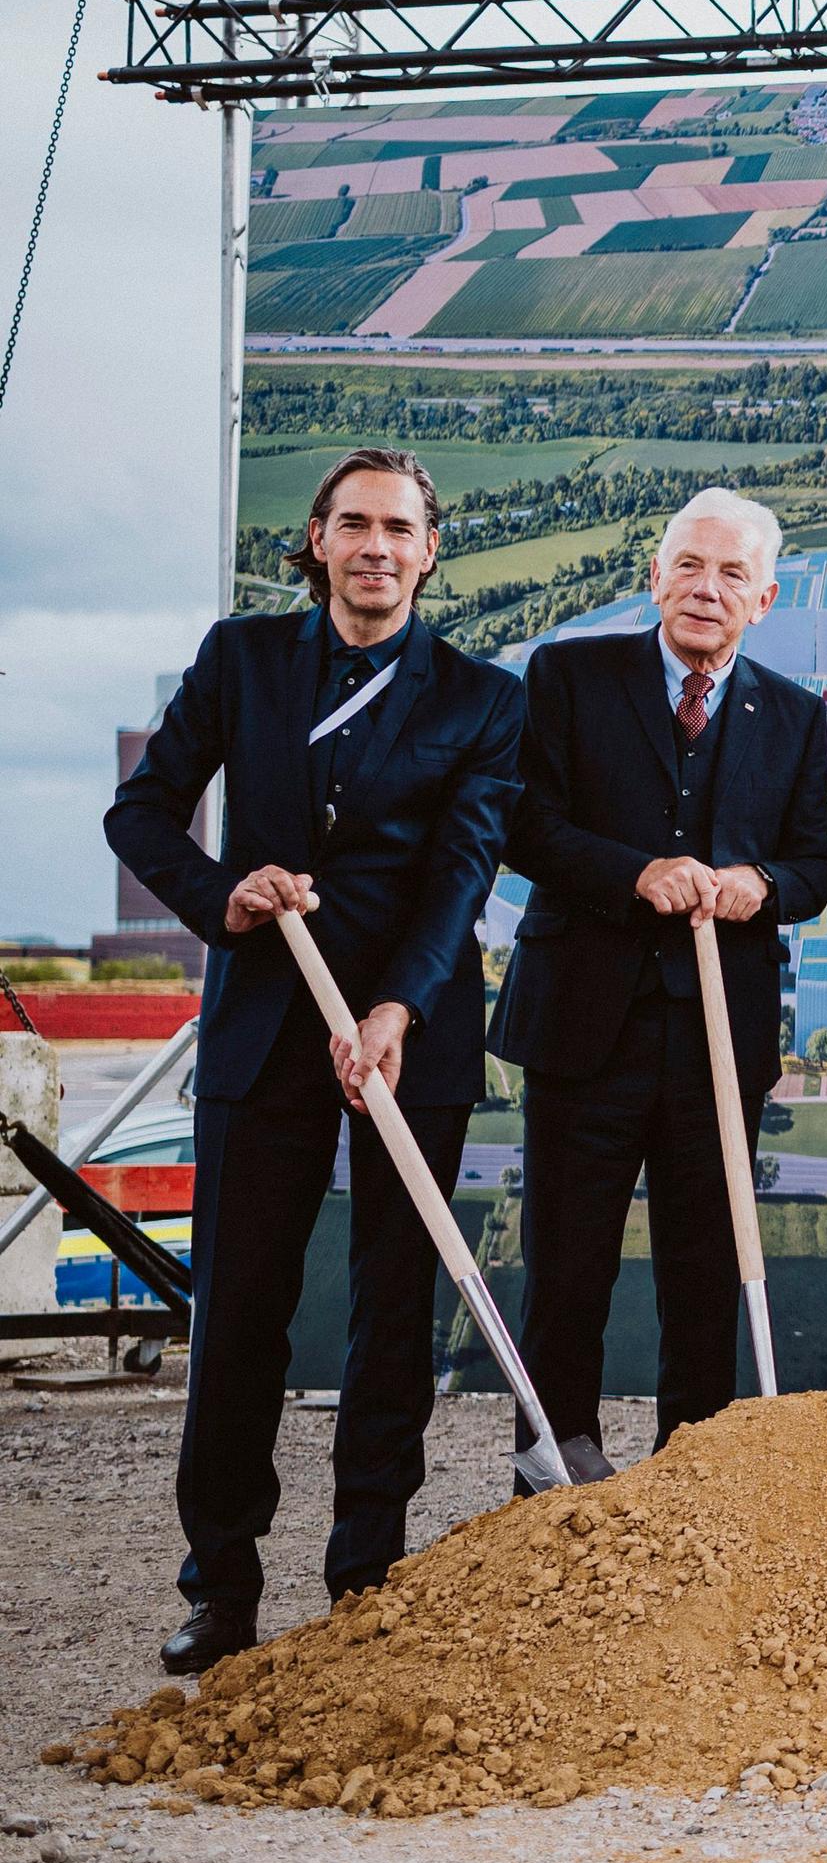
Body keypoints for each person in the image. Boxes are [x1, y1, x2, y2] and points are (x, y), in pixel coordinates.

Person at [102, 447, 525, 1673]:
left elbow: (464, 870)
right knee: (241, 1309)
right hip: (263, 1022)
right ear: (319, 539)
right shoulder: (243, 660)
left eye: (400, 527)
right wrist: (223, 895)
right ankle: (220, 1585)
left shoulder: (481, 697)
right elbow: (143, 810)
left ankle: (366, 1577)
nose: (377, 546)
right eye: (355, 525)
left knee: (395, 1308)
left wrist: (397, 1006)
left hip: (408, 1033)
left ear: (430, 549)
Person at [492, 490, 827, 1484]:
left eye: (732, 574)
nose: (706, 588)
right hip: (580, 1027)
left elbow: (817, 865)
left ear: (764, 598)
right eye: (690, 564)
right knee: (567, 1268)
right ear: (656, 575)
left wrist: (760, 883)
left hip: (718, 1043)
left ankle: (696, 1471)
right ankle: (552, 1469)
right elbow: (524, 825)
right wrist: (632, 872)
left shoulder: (794, 714)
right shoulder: (567, 674)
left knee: (706, 1271)